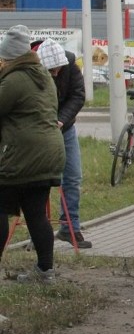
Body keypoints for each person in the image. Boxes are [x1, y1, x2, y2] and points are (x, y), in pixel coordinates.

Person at [0, 25, 65, 282]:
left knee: (1, 208)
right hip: (49, 154)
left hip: (22, 156)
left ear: (12, 57)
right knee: (36, 212)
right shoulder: (43, 75)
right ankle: (45, 270)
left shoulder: (15, 79)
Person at [35, 38, 91, 248]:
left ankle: (70, 228)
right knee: (39, 180)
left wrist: (61, 120)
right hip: (39, 131)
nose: (56, 74)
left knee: (73, 177)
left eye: (58, 70)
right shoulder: (30, 70)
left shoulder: (70, 65)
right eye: (51, 71)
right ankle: (38, 232)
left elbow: (78, 95)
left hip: (64, 128)